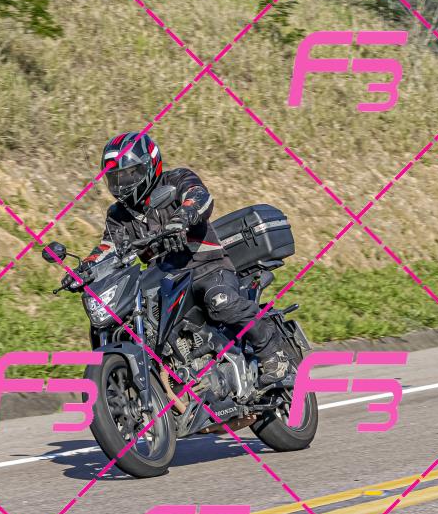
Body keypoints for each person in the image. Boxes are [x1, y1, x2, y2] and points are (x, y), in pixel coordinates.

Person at [62, 131, 289, 385]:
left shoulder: (177, 179)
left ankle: (273, 351)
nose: (122, 184)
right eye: (115, 177)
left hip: (205, 265)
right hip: (163, 278)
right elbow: (109, 246)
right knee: (133, 323)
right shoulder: (118, 214)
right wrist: (86, 267)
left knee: (220, 301)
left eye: (129, 174)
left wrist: (182, 218)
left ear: (149, 166)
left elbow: (199, 197)